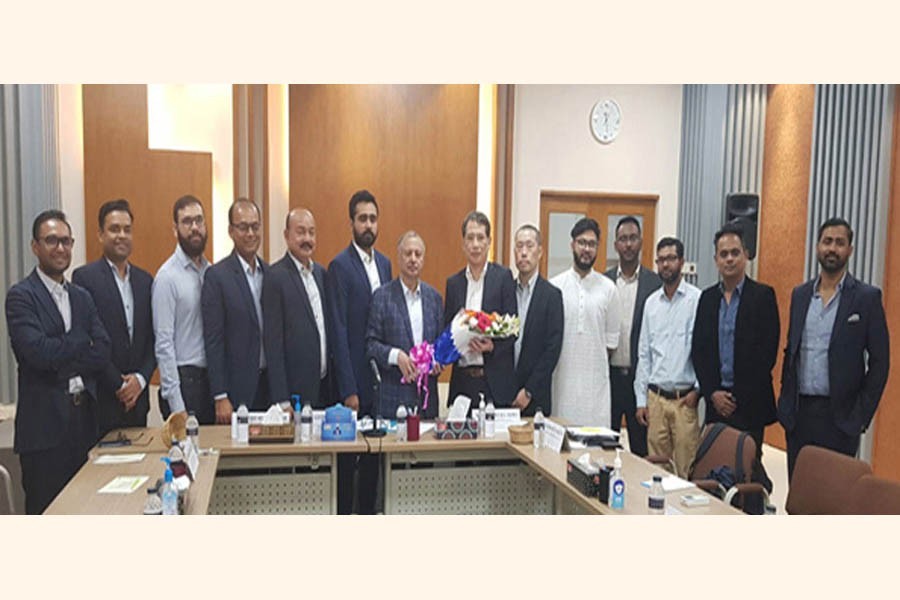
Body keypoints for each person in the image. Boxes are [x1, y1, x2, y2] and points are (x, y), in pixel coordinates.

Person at [6, 210, 111, 513]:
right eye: (52, 241)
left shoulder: (82, 297)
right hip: (44, 433)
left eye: (66, 241)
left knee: (88, 514)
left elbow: (103, 350)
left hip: (84, 427)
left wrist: (62, 352)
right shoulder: (21, 296)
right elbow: (38, 354)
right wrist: (80, 341)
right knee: (49, 515)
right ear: (35, 246)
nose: (61, 248)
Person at [777, 217, 890, 480]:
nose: (832, 248)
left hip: (841, 418)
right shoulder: (800, 295)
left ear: (850, 250)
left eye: (840, 243)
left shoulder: (866, 298)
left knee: (835, 493)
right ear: (817, 246)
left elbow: (880, 362)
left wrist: (860, 416)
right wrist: (784, 403)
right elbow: (791, 351)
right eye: (827, 241)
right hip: (799, 415)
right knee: (801, 491)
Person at [691, 222, 779, 470]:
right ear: (716, 260)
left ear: (746, 255)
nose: (729, 259)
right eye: (723, 254)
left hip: (749, 405)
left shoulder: (763, 296)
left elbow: (767, 355)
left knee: (746, 470)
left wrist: (734, 398)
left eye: (735, 253)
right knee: (713, 469)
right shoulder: (707, 299)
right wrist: (713, 393)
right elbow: (699, 351)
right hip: (715, 404)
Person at [326, 190, 391, 515]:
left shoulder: (385, 264)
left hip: (382, 383)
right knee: (347, 463)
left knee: (374, 461)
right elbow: (337, 331)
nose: (368, 225)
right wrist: (348, 388)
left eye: (373, 219)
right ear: (351, 223)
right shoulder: (339, 266)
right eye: (362, 218)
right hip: (353, 384)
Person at [72, 199, 156, 437]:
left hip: (138, 402)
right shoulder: (84, 278)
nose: (121, 235)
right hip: (103, 399)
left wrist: (140, 380)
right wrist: (119, 385)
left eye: (127, 230)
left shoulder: (145, 281)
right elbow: (86, 341)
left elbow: (153, 340)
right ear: (100, 234)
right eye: (114, 229)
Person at [634, 237, 701, 478]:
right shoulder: (651, 304)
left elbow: (704, 350)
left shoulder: (696, 300)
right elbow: (644, 354)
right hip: (656, 399)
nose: (665, 265)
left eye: (671, 258)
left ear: (681, 262)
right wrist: (641, 400)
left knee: (686, 468)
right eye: (661, 260)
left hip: (684, 400)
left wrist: (698, 390)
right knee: (656, 470)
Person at [202, 198, 269, 423]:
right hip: (236, 389)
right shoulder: (217, 276)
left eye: (255, 226)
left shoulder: (270, 273)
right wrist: (220, 395)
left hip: (269, 387)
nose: (250, 233)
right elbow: (213, 340)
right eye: (243, 227)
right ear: (231, 231)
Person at [551, 218, 621, 426]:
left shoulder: (609, 289)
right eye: (582, 242)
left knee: (596, 442)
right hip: (562, 388)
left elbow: (610, 345)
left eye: (592, 244)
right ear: (572, 244)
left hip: (595, 391)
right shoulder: (555, 288)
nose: (586, 249)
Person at [444, 210, 517, 410]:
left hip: (494, 383)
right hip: (463, 383)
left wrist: (492, 346)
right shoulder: (454, 283)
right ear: (463, 244)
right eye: (470, 238)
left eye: (480, 238)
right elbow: (447, 329)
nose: (475, 244)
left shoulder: (503, 278)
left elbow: (513, 329)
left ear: (489, 241)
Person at [366, 231, 443, 419]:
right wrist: (396, 356)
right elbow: (371, 345)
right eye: (408, 254)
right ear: (399, 258)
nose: (413, 259)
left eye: (418, 254)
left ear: (423, 259)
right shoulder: (382, 297)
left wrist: (439, 361)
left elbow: (440, 343)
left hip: (427, 401)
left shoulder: (434, 298)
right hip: (392, 400)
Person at [152, 195, 212, 424]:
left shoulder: (211, 272)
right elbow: (163, 344)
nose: (194, 227)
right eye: (187, 221)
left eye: (199, 220)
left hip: (211, 382)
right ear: (175, 229)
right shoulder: (167, 278)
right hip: (185, 384)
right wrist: (177, 406)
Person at [263, 208, 332, 409]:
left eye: (311, 232)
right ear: (286, 235)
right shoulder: (275, 277)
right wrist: (282, 399)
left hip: (324, 387)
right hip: (294, 392)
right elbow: (273, 343)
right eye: (300, 232)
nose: (307, 239)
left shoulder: (321, 274)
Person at [604, 216, 661, 456]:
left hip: (640, 380)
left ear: (641, 243)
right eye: (623, 239)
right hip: (609, 378)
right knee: (605, 446)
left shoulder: (655, 284)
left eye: (633, 238)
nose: (628, 244)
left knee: (641, 450)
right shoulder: (604, 282)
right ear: (615, 245)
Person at [512, 225, 563, 417]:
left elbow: (552, 350)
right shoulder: (505, 290)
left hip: (536, 397)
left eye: (529, 246)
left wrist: (529, 391)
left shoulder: (552, 296)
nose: (524, 253)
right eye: (519, 246)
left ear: (540, 252)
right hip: (504, 395)